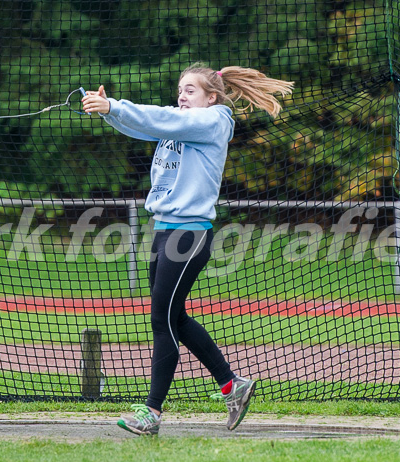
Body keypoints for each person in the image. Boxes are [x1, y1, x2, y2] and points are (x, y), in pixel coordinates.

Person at [82, 63, 293, 435]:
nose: (182, 96)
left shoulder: (212, 121)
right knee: (174, 319)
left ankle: (152, 413)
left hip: (188, 235)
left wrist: (114, 106)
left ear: (211, 97)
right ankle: (232, 386)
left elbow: (159, 118)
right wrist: (108, 110)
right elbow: (148, 125)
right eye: (180, 89)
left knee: (161, 322)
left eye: (190, 90)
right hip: (165, 232)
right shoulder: (182, 121)